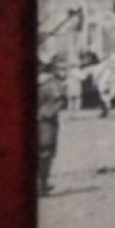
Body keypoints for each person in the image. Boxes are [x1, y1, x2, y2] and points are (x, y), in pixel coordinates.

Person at [37, 50, 65, 195]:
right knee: (45, 152)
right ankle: (42, 183)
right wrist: (44, 114)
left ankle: (42, 183)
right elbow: (57, 102)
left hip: (43, 121)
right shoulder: (53, 84)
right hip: (45, 123)